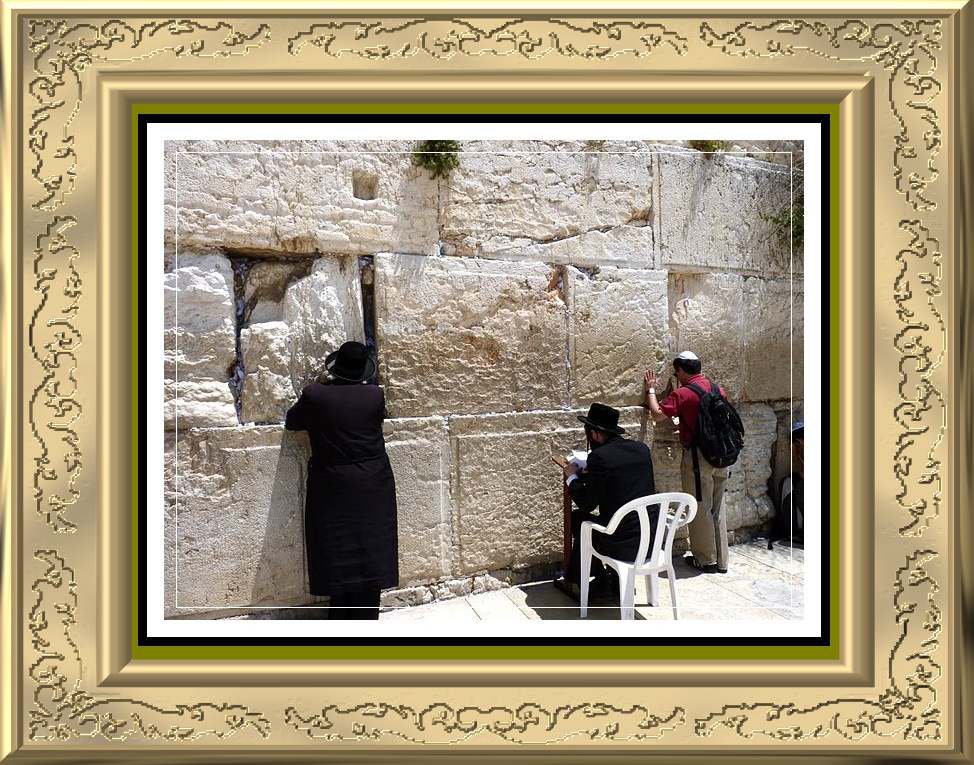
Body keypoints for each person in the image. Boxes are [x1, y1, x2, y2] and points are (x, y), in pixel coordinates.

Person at [284, 341, 398, 619]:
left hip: (333, 485)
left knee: (337, 553)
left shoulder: (314, 395)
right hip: (373, 483)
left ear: (335, 368)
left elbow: (292, 421)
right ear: (363, 372)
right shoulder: (375, 396)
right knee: (370, 550)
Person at [643, 351, 730, 574]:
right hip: (722, 455)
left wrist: (651, 389)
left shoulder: (684, 394)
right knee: (718, 507)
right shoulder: (717, 388)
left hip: (698, 458)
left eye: (676, 372)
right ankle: (721, 561)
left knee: (700, 506)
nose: (676, 376)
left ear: (681, 370)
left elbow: (657, 414)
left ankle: (705, 560)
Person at [560, 402, 657, 597]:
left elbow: (588, 503)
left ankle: (586, 580)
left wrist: (571, 476)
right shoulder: (641, 449)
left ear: (595, 434)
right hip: (652, 540)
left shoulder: (600, 457)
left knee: (579, 519)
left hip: (623, 546)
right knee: (600, 522)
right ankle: (609, 578)